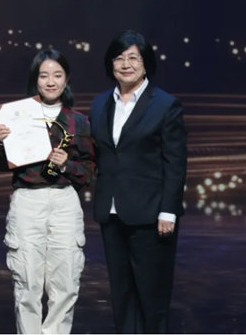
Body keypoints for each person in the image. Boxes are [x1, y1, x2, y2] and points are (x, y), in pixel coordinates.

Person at [0, 49, 96, 334]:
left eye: (57, 75)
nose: (51, 81)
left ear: (66, 79)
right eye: (44, 75)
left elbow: (89, 171)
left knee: (66, 285)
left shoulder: (78, 121)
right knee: (27, 285)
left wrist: (66, 165)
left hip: (64, 201)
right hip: (28, 200)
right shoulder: (16, 116)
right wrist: (0, 142)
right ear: (35, 79)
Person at [89, 31, 188, 333]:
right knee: (122, 294)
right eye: (119, 58)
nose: (126, 64)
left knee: (152, 296)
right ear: (111, 64)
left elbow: (175, 163)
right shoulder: (100, 103)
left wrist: (168, 210)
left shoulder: (165, 105)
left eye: (133, 57)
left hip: (151, 215)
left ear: (146, 64)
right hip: (111, 212)